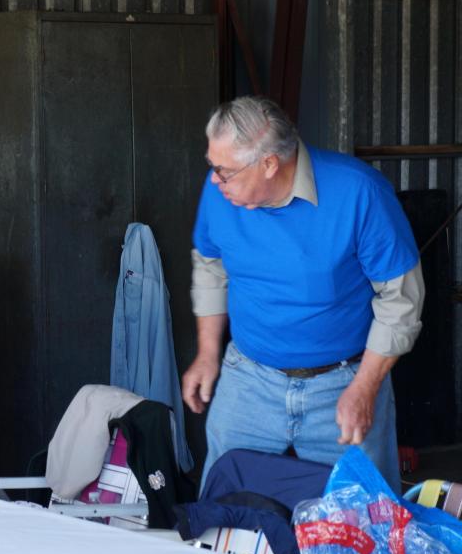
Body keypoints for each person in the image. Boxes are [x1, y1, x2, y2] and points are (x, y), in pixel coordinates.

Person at [181, 96, 423, 493]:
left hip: (344, 383)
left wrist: (365, 386)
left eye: (224, 170)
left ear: (269, 164)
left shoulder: (359, 192)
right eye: (212, 166)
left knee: (365, 519)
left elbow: (401, 300)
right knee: (223, 508)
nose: (213, 180)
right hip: (249, 380)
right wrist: (208, 353)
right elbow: (210, 266)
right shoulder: (221, 194)